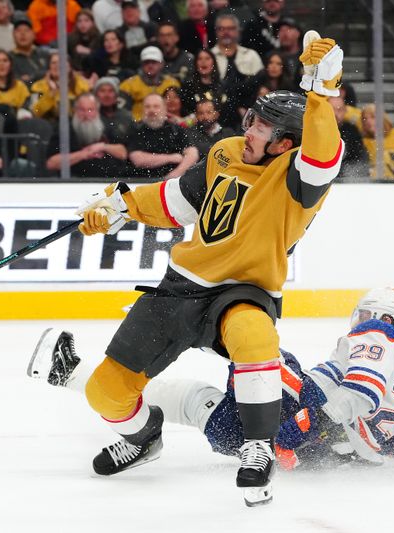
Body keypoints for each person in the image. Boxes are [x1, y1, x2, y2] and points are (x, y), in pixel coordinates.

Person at [33, 31, 344, 507]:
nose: (248, 129)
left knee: (256, 338)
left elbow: (325, 151)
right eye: (251, 119)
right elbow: (175, 200)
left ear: (285, 144)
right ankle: (143, 438)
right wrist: (119, 207)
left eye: (261, 127)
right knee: (106, 392)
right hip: (181, 287)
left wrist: (318, 93)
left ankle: (257, 448)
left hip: (243, 291)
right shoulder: (225, 152)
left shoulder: (299, 180)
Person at [28, 288, 394, 474]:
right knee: (207, 410)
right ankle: (75, 375)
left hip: (308, 427)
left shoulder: (377, 336)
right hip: (312, 453)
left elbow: (355, 397)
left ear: (393, 322)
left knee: (269, 356)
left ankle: (198, 329)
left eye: (376, 316)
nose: (368, 322)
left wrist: (314, 423)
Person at [46, 92, 129, 177]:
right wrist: (83, 154)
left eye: (90, 110)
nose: (86, 114)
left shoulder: (108, 125)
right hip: (74, 181)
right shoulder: (65, 129)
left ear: (97, 110)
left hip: (108, 181)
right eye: (82, 109)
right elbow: (51, 163)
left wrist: (102, 147)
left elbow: (123, 153)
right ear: (75, 110)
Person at [126, 92, 198, 177]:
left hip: (172, 182)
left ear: (164, 109)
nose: (151, 110)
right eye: (147, 106)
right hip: (141, 182)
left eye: (156, 106)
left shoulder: (176, 129)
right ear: (143, 110)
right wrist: (171, 158)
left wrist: (176, 174)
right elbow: (138, 159)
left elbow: (193, 154)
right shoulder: (135, 130)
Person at [119, 45, 180, 120]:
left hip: (167, 124)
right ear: (141, 64)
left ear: (162, 64)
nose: (150, 65)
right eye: (147, 62)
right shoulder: (128, 85)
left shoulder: (172, 83)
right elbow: (121, 112)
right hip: (137, 126)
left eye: (154, 62)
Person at [29, 52, 91, 121]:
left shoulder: (81, 84)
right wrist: (51, 94)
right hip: (49, 126)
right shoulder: (38, 86)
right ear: (49, 67)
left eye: (61, 62)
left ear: (70, 67)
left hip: (77, 123)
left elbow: (89, 110)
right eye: (53, 63)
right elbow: (35, 112)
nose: (58, 65)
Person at [328, 95, 367, 180]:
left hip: (345, 180)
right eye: (331, 109)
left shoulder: (352, 131)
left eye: (339, 110)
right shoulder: (316, 130)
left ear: (345, 111)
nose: (335, 113)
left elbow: (358, 158)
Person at [9, 18, 50, 85]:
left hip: (47, 92)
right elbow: (16, 81)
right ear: (13, 35)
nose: (22, 34)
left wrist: (31, 78)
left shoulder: (45, 54)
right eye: (18, 31)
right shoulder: (8, 58)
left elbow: (52, 74)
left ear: (34, 35)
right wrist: (34, 79)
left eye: (26, 30)